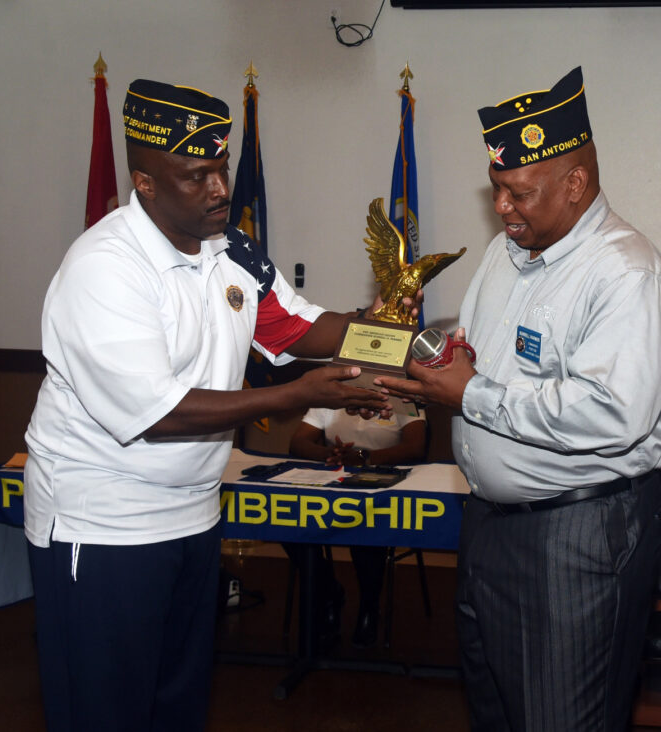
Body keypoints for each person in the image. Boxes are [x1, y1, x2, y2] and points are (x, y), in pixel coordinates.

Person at [22, 79, 415, 732]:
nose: (219, 189)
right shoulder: (105, 268)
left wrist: (400, 339)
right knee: (104, 712)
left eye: (222, 168)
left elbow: (299, 327)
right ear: (144, 181)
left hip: (193, 517)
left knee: (177, 705)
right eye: (195, 174)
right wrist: (298, 395)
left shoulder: (231, 251)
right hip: (105, 527)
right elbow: (158, 412)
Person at [377, 66, 661, 731]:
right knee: (496, 712)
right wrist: (416, 357)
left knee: (560, 718)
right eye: (495, 192)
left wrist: (474, 395)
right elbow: (473, 358)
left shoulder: (624, 271)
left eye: (518, 193)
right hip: (491, 525)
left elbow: (613, 413)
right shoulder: (504, 255)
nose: (503, 210)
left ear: (575, 184)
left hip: (577, 534)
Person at [284, 406, 427, 647]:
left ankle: (369, 607)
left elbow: (415, 447)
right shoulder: (330, 397)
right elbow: (298, 442)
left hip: (382, 486)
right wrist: (331, 454)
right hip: (333, 484)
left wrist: (364, 458)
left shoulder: (402, 398)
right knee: (287, 522)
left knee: (367, 526)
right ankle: (328, 592)